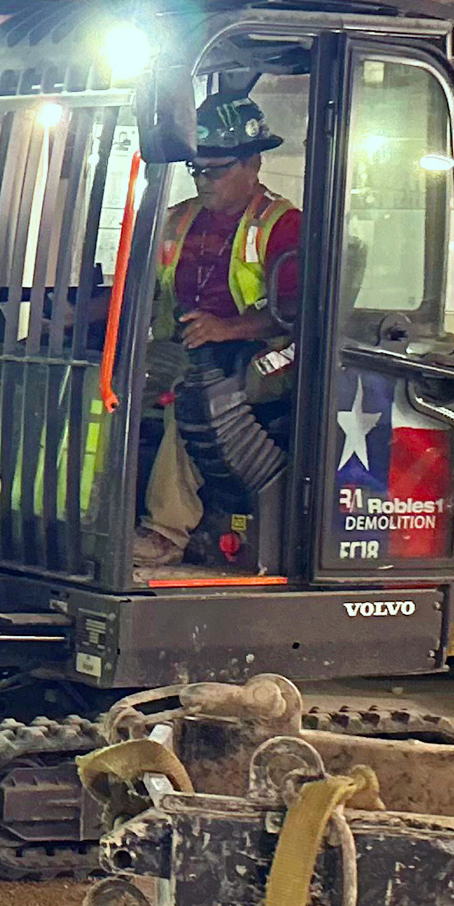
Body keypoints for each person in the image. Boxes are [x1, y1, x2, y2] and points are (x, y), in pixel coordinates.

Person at [133, 94, 302, 567]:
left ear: (254, 163)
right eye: (196, 170)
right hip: (189, 346)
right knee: (110, 388)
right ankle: (98, 511)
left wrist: (227, 328)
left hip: (267, 352)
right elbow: (143, 292)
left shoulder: (283, 226)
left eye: (217, 170)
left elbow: (296, 313)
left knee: (192, 395)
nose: (203, 181)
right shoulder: (180, 219)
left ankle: (166, 530)